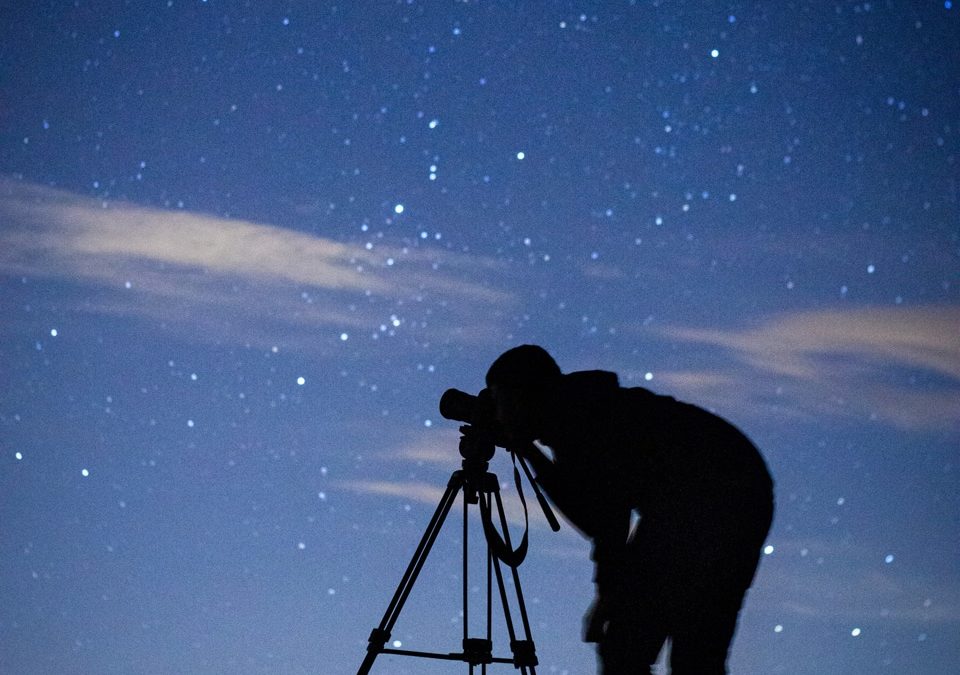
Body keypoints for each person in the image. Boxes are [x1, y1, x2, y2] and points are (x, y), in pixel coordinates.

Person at [484, 345, 774, 674]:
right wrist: (527, 450)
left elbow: (607, 520)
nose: (497, 413)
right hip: (728, 494)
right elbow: (597, 514)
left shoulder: (580, 419)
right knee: (683, 652)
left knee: (651, 648)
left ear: (523, 395)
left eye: (499, 400)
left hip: (713, 498)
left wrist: (609, 595)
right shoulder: (575, 411)